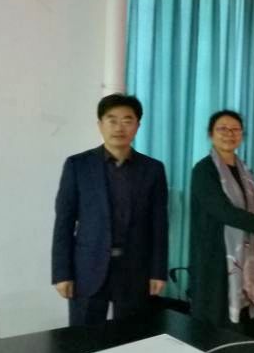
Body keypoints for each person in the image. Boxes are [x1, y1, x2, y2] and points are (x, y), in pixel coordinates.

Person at [51, 93, 168, 326]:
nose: (119, 127)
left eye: (127, 120)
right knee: (84, 338)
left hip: (135, 268)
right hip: (88, 267)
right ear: (100, 124)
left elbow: (159, 225)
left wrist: (158, 271)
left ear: (137, 126)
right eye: (112, 120)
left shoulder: (153, 169)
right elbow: (64, 222)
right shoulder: (78, 165)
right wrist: (62, 273)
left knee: (131, 337)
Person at [189, 110, 254, 336]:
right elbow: (224, 211)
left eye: (235, 130)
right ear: (211, 134)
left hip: (245, 258)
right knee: (217, 325)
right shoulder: (204, 170)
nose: (229, 134)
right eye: (222, 129)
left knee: (244, 325)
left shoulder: (245, 171)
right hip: (216, 259)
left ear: (242, 135)